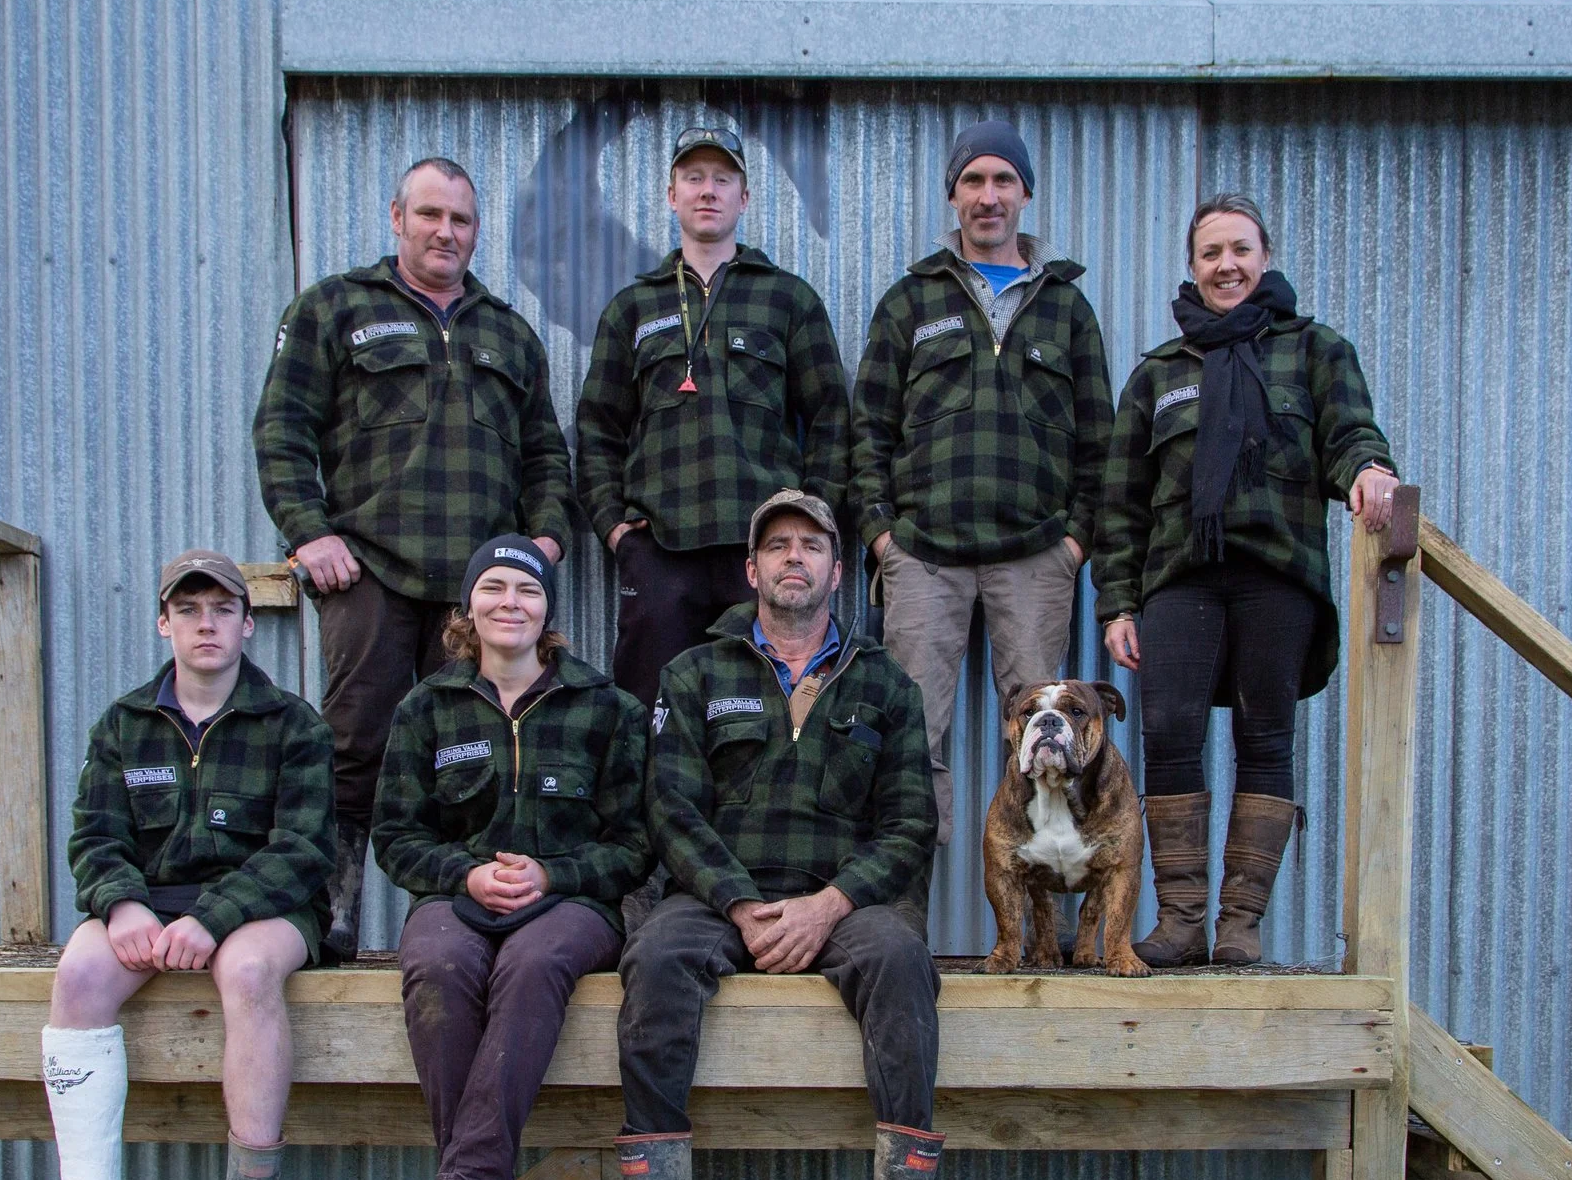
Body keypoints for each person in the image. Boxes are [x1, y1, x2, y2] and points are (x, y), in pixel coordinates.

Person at [591, 490, 950, 1180]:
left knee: (901, 959)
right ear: (751, 569)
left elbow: (907, 824)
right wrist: (741, 905)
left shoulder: (887, 686)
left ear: (836, 569)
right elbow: (669, 810)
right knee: (653, 957)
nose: (795, 557)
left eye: (812, 545)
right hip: (718, 897)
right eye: (778, 545)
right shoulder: (693, 673)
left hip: (843, 901)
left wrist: (829, 905)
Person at [254, 157, 577, 962]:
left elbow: (545, 454)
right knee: (355, 744)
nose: (445, 232)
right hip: (368, 571)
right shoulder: (334, 307)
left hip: (478, 587)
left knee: (473, 748)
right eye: (430, 214)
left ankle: (463, 920)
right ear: (396, 216)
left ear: (476, 230)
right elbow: (282, 429)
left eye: (461, 220)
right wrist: (306, 531)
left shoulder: (508, 331)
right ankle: (328, 917)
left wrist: (545, 539)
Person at [22, 551, 336, 1180]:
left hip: (264, 909)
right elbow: (95, 837)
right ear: (164, 622)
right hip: (152, 900)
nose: (206, 623)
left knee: (249, 971)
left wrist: (213, 917)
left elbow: (302, 848)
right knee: (80, 972)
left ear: (246, 624)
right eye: (189, 609)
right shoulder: (124, 724)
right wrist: (122, 904)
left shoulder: (293, 723)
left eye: (222, 609)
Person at [1095, 192, 1399, 967]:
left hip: (1278, 573)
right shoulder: (1159, 373)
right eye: (1210, 254)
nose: (1226, 265)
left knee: (1267, 738)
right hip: (1180, 579)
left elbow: (1349, 431)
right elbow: (1121, 501)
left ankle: (1239, 924)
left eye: (1240, 250)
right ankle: (1182, 921)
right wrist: (1119, 601)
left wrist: (1366, 468)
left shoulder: (1315, 350)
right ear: (1192, 268)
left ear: (1264, 257)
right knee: (1168, 735)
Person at [372, 536, 651, 1180]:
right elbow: (394, 836)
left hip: (570, 906)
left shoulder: (608, 708)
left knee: (533, 962)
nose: (510, 602)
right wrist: (463, 873)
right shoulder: (426, 708)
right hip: (453, 898)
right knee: (434, 961)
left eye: (527, 591)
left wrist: (553, 874)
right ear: (469, 607)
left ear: (549, 611)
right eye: (492, 588)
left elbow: (636, 843)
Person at [849, 119, 1115, 851]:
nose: (988, 196)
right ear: (954, 196)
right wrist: (882, 534)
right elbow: (867, 426)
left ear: (1025, 194)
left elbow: (1101, 441)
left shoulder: (1067, 308)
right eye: (973, 181)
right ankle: (903, 917)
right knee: (911, 736)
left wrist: (1074, 540)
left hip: (1035, 555)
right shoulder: (911, 300)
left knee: (1045, 742)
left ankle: (1034, 917)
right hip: (924, 555)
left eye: (1003, 180)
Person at [575, 124, 850, 705]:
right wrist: (617, 531)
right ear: (671, 195)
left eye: (722, 179)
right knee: (651, 713)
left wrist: (809, 527)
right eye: (693, 178)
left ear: (743, 199)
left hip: (761, 556)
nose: (708, 191)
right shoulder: (632, 307)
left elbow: (831, 418)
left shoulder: (787, 299)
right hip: (660, 554)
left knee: (764, 712)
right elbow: (598, 428)